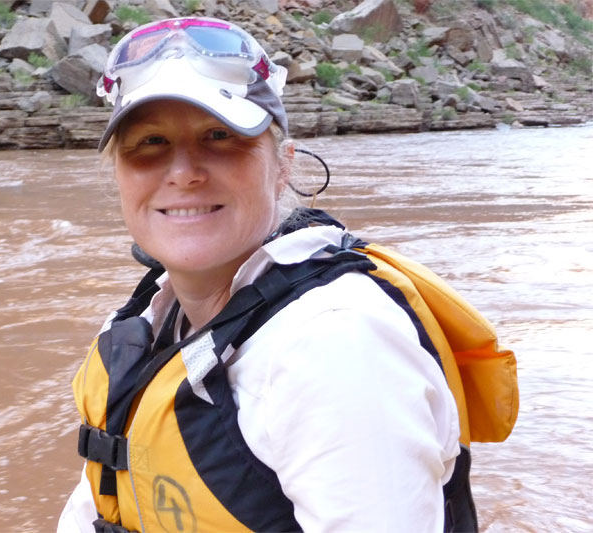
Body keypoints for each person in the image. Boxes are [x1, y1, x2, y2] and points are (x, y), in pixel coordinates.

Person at [59, 16, 464, 533]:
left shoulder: (334, 342)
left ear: (282, 166)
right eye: (151, 142)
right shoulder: (144, 325)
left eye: (219, 136)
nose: (183, 173)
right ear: (119, 173)